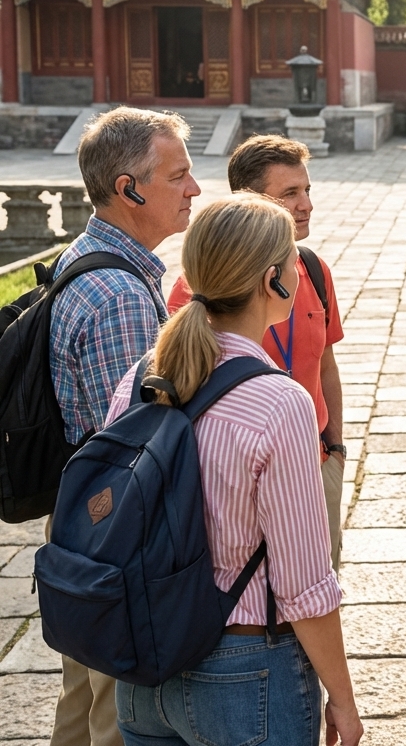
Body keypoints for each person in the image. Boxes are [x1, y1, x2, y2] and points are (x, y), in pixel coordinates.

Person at [107, 194, 362, 746]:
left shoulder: (140, 379)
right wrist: (341, 696)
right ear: (275, 281)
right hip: (242, 668)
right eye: (294, 263)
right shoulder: (278, 402)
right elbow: (304, 586)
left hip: (142, 665)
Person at [49, 106, 200, 746]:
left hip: (81, 514)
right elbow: (137, 447)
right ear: (128, 188)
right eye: (178, 176)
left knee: (79, 700)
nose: (194, 189)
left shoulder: (88, 255)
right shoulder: (122, 298)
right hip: (115, 529)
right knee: (115, 716)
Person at [167, 135, 347, 570]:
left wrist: (336, 450)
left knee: (320, 584)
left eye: (307, 190)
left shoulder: (314, 270)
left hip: (315, 462)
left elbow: (325, 363)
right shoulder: (198, 292)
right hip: (240, 484)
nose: (305, 204)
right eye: (290, 193)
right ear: (249, 203)